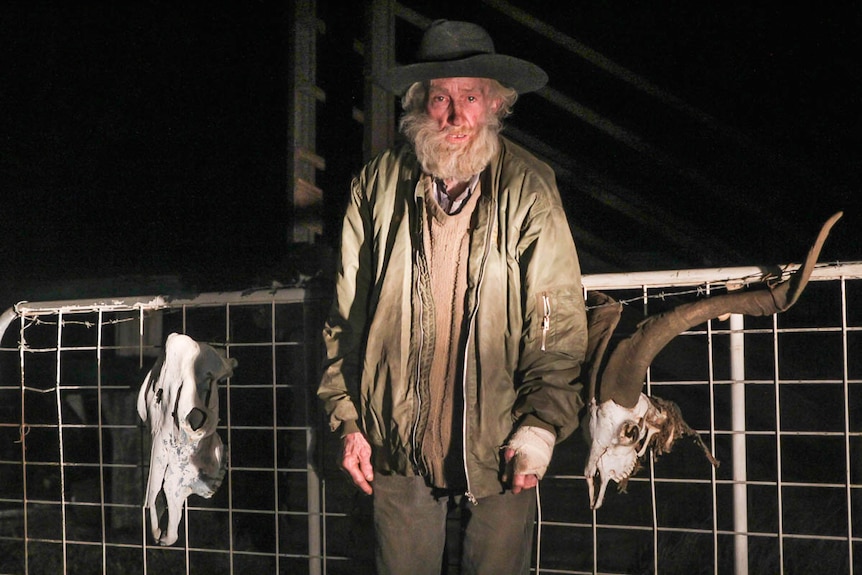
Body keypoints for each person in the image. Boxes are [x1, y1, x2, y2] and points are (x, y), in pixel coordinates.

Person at [317, 19, 588, 575]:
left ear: (496, 105)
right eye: (441, 97)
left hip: (502, 444)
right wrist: (348, 422)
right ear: (420, 103)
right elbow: (346, 313)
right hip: (394, 439)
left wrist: (540, 426)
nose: (457, 115)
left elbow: (555, 319)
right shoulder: (376, 184)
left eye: (472, 96)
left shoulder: (528, 186)